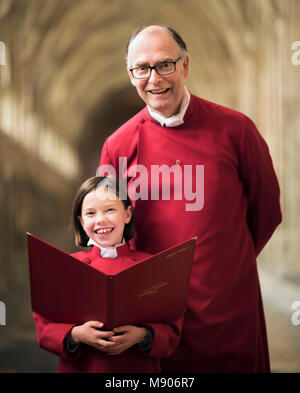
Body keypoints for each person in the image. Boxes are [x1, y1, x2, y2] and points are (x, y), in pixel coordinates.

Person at [99, 25, 282, 372]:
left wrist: (228, 266)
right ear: (130, 74)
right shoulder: (117, 146)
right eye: (142, 68)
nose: (154, 78)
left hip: (227, 311)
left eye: (165, 64)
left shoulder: (236, 130)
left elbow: (267, 210)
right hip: (152, 318)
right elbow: (106, 231)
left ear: (185, 65)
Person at [33, 176, 183, 373]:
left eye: (110, 209)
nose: (100, 220)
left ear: (127, 214)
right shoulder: (67, 266)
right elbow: (44, 327)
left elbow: (172, 329)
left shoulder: (153, 266)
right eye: (90, 213)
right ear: (81, 220)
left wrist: (142, 335)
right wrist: (76, 334)